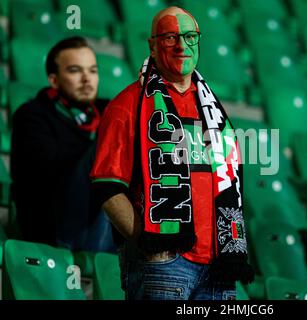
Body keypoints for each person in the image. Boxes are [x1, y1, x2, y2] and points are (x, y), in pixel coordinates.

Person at [90, 7, 253, 300]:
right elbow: (106, 186)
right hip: (165, 265)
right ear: (152, 45)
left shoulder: (214, 111)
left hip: (218, 267)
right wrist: (149, 243)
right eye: (170, 37)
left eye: (190, 37)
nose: (182, 46)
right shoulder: (128, 105)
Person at [10, 36, 115, 252]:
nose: (87, 79)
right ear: (54, 80)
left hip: (107, 222)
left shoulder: (107, 111)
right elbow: (46, 179)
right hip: (56, 228)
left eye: (93, 71)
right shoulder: (32, 115)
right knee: (113, 139)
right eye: (75, 71)